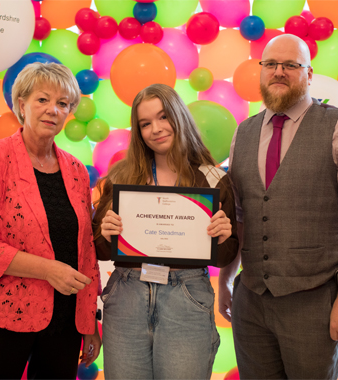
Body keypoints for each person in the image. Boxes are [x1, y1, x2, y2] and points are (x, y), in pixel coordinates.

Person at [0, 62, 101, 380]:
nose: (53, 109)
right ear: (21, 104)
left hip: (65, 324)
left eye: (63, 103)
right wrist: (49, 271)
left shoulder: (77, 170)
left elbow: (86, 250)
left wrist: (89, 320)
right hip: (0, 318)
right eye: (43, 99)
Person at [93, 83, 238, 379]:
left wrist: (223, 236)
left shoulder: (213, 180)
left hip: (187, 297)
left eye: (163, 117)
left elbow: (225, 256)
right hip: (127, 296)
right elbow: (97, 247)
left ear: (179, 116)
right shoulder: (122, 176)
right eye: (145, 124)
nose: (156, 129)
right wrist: (105, 233)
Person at [218, 33, 338, 379]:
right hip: (251, 300)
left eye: (291, 65)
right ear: (261, 70)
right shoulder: (243, 133)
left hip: (314, 301)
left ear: (310, 73)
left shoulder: (337, 126)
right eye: (271, 64)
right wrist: (227, 280)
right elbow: (242, 216)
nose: (279, 72)